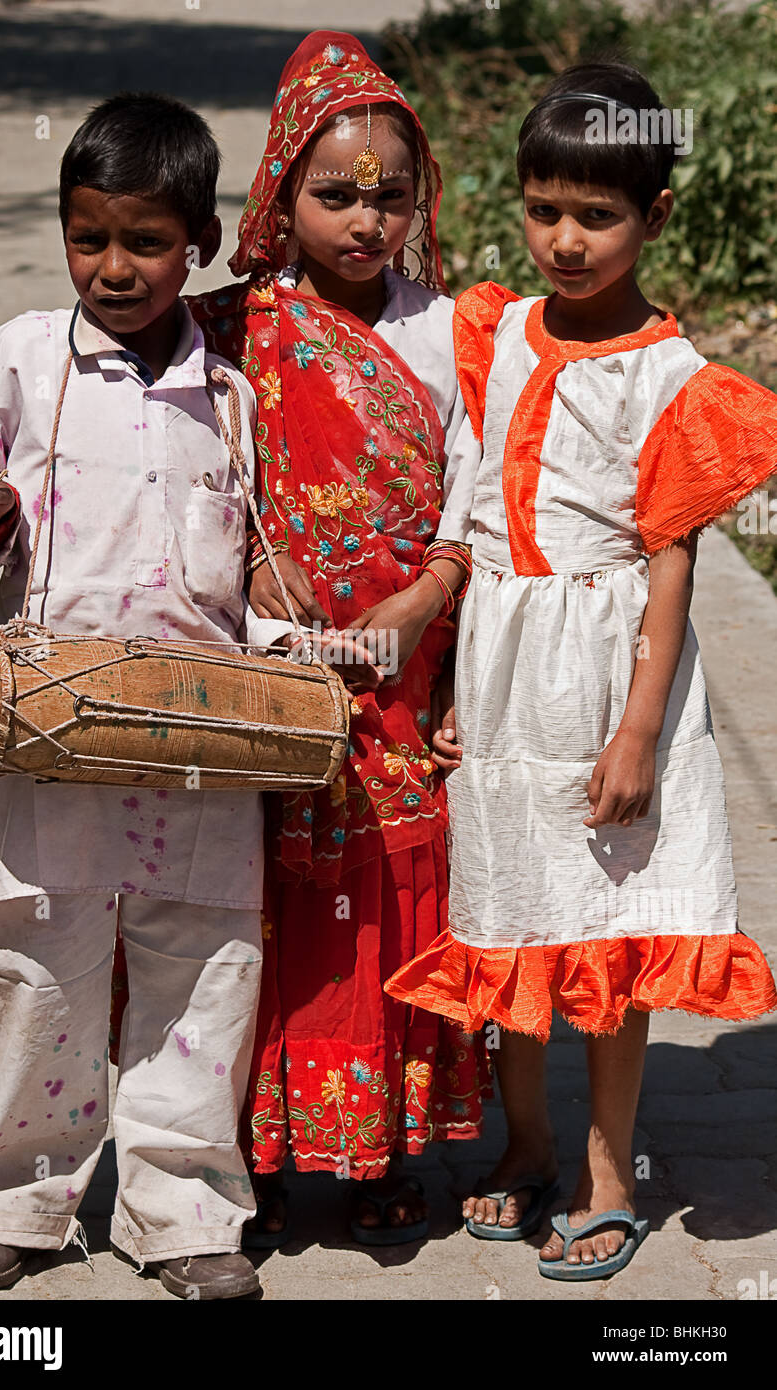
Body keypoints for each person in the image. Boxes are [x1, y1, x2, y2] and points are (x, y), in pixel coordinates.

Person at [385, 61, 777, 1279]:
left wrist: (636, 732)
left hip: (610, 678)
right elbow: (466, 513)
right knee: (510, 914)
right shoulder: (490, 329)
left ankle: (611, 1170)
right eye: (543, 207)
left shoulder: (669, 379)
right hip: (502, 671)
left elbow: (669, 568)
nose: (563, 238)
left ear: (653, 217)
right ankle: (525, 1146)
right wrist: (447, 688)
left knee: (609, 928)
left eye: (595, 214)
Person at [0, 91, 301, 1300]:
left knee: (201, 972)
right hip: (46, 741)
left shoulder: (228, 400)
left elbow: (256, 568)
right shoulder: (21, 361)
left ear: (197, 240)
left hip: (197, 746)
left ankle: (182, 1212)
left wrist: (297, 660)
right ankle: (9, 1201)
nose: (114, 267)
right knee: (28, 964)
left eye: (144, 242)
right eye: (89, 237)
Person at [186, 31, 492, 1245]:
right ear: (278, 190)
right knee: (264, 909)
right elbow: (195, 471)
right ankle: (253, 1152)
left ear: (420, 201)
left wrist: (421, 604)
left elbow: (472, 506)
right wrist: (261, 565)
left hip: (406, 676)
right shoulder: (231, 332)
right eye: (334, 193)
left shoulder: (451, 336)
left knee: (386, 901)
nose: (365, 219)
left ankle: (379, 1153)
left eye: (391, 195)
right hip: (272, 673)